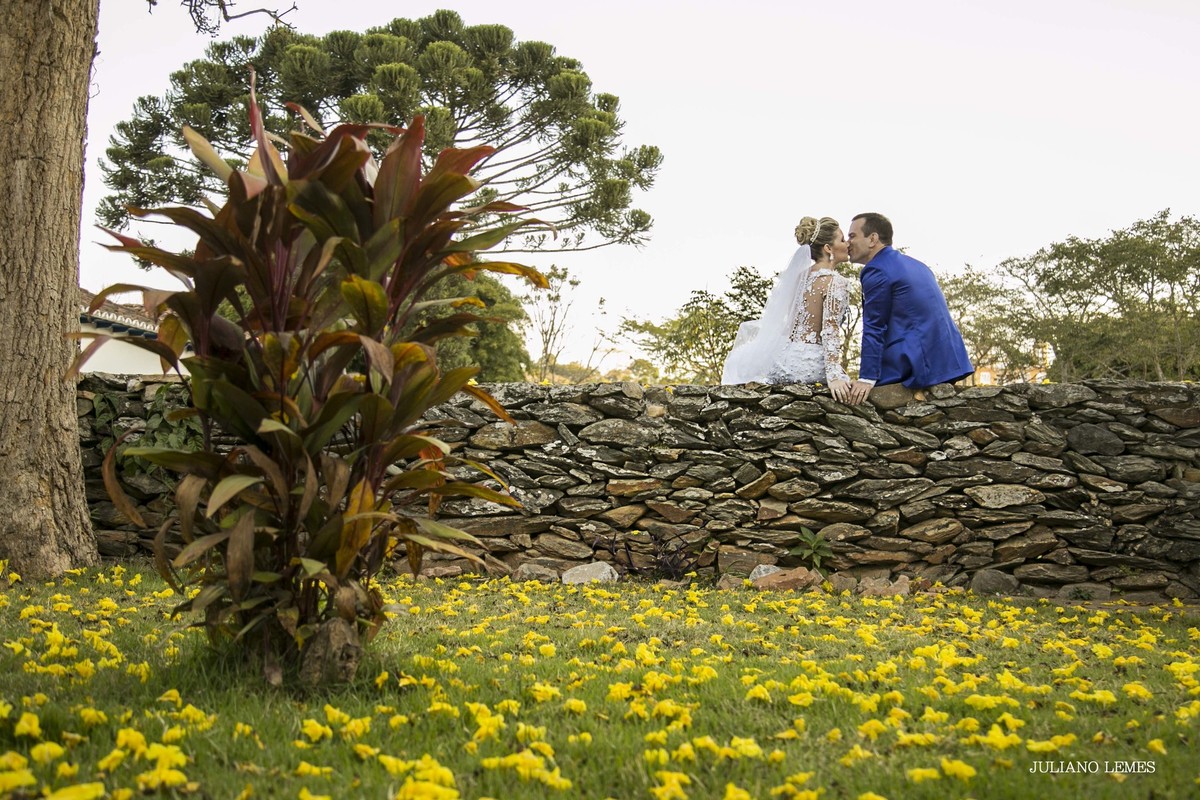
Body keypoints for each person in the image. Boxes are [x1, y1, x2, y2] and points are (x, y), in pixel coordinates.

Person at [844, 212, 973, 405]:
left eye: (852, 236)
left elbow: (875, 325)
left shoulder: (876, 269)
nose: (847, 243)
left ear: (872, 239)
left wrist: (867, 377)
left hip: (918, 365)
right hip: (949, 361)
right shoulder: (918, 265)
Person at [721, 216, 854, 401]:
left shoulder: (799, 278)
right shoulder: (836, 282)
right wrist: (834, 376)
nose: (848, 244)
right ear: (828, 248)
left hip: (782, 362)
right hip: (810, 365)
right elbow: (829, 331)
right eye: (842, 239)